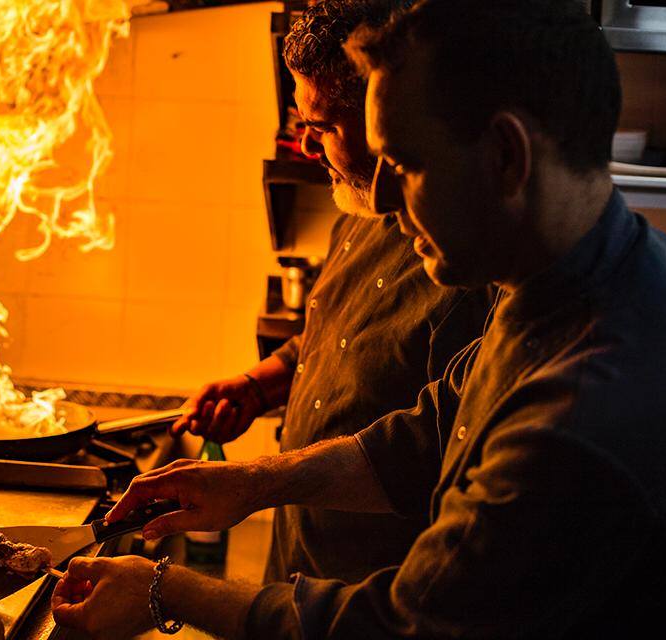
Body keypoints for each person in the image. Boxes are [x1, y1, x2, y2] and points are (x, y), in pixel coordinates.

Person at [51, 0, 666, 638]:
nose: (376, 196)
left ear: (504, 155)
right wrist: (253, 483)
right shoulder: (563, 282)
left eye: (403, 165)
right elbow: (432, 431)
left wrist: (166, 590)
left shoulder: (579, 414)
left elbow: (399, 627)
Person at [171, 0, 491, 586]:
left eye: (322, 127)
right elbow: (334, 337)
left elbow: (427, 447)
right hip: (300, 559)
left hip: (379, 583)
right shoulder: (356, 207)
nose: (306, 147)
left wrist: (171, 592)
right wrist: (259, 383)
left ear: (384, 114)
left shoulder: (469, 264)